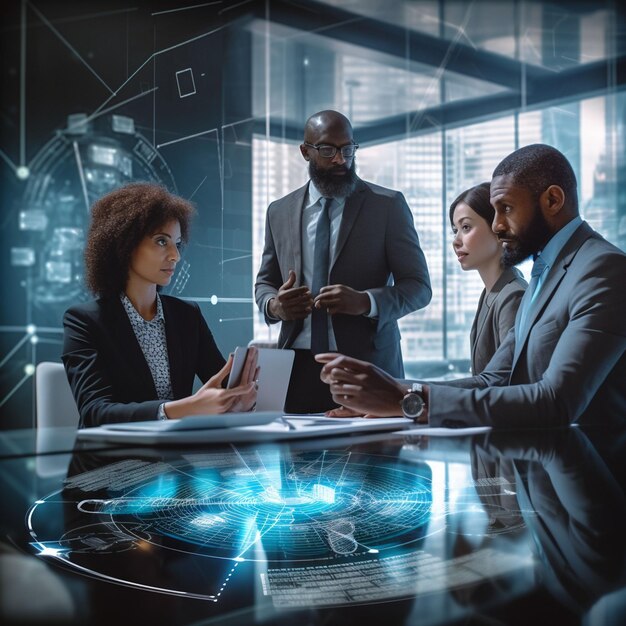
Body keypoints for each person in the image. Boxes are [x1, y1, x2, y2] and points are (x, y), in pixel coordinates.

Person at [316, 144, 626, 428]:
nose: (497, 226)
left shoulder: (604, 269)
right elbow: (494, 378)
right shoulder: (544, 274)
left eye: (505, 209)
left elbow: (557, 402)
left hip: (593, 479)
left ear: (553, 200)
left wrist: (407, 401)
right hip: (542, 477)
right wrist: (391, 391)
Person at [254, 110, 431, 413]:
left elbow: (418, 288)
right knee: (296, 459)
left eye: (348, 149)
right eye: (327, 150)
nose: (340, 160)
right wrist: (275, 306)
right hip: (296, 366)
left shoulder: (387, 206)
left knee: (372, 458)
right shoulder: (278, 211)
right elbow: (265, 283)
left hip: (367, 367)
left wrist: (366, 302)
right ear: (305, 151)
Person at [63, 182, 258, 428]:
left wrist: (236, 400)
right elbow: (95, 413)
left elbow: (217, 388)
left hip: (175, 456)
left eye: (177, 243)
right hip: (116, 460)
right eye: (161, 241)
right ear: (125, 243)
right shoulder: (84, 321)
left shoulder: (187, 315)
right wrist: (185, 408)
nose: (175, 255)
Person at [450, 182, 527, 374]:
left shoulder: (513, 297)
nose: (456, 241)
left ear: (497, 227)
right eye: (455, 230)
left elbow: (506, 379)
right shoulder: (491, 293)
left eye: (466, 227)